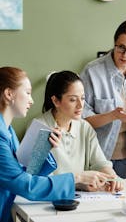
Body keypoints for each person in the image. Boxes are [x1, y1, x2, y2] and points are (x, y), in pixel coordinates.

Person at [80, 20, 126, 178]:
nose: (125, 55)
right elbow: (81, 119)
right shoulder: (92, 72)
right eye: (121, 47)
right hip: (97, 160)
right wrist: (112, 116)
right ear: (114, 43)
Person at [0, 67, 75, 222]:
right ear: (9, 94)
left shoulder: (9, 131)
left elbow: (25, 173)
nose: (32, 100)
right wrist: (77, 179)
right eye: (27, 93)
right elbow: (24, 185)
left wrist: (42, 147)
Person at [37, 70, 123, 192]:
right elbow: (39, 181)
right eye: (73, 100)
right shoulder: (40, 128)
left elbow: (100, 162)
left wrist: (112, 177)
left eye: (82, 98)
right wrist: (78, 184)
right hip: (50, 200)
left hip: (80, 198)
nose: (80, 105)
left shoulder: (85, 127)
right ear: (56, 101)